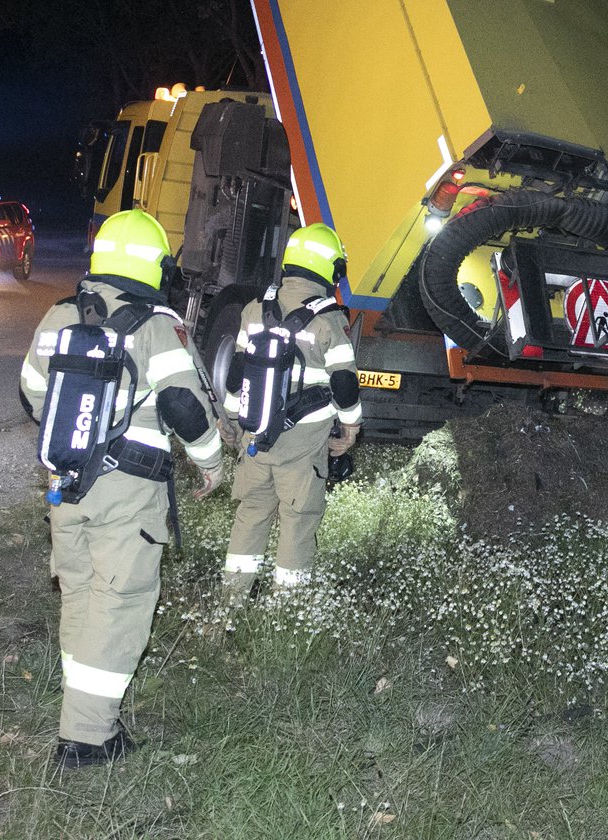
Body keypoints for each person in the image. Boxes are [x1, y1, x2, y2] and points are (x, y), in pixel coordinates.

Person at [19, 209, 225, 769]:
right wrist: (211, 464)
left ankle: (80, 709)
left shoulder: (60, 314)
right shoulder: (155, 324)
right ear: (155, 264)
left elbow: (31, 393)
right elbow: (185, 405)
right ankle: (88, 738)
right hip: (129, 488)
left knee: (83, 595)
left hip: (68, 484)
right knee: (122, 600)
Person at [220, 223, 362, 601]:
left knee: (250, 514)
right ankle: (286, 612)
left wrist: (232, 421)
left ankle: (232, 601)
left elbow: (237, 374)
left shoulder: (255, 309)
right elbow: (344, 382)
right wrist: (350, 428)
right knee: (298, 521)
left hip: (255, 434)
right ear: (331, 270)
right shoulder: (329, 319)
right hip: (301, 446)